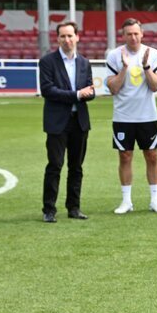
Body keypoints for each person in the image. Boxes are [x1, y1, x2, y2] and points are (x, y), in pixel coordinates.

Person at [105, 18, 157, 214]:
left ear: (142, 34)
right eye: (129, 34)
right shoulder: (114, 56)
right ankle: (126, 201)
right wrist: (124, 67)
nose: (133, 37)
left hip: (147, 115)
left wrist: (146, 66)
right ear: (123, 36)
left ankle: (155, 200)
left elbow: (155, 86)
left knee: (152, 155)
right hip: (123, 116)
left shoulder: (153, 55)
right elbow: (113, 88)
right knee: (125, 156)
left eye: (136, 33)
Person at [39, 20, 96, 223]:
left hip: (79, 121)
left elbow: (90, 90)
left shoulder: (84, 62)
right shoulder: (47, 62)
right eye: (63, 36)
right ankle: (49, 210)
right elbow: (48, 90)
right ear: (57, 38)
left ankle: (74, 207)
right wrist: (77, 95)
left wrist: (88, 94)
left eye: (70, 35)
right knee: (55, 165)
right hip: (57, 122)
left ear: (77, 37)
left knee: (76, 167)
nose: (67, 39)